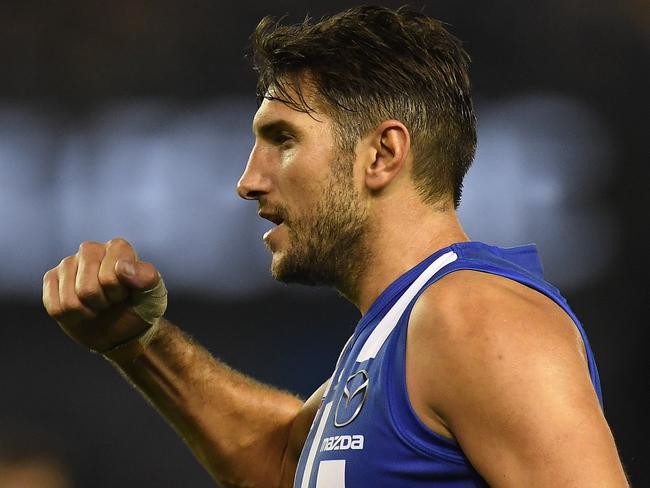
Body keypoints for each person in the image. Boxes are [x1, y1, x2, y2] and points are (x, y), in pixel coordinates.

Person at [42, 6, 628, 487]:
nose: (248, 180)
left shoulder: (475, 319)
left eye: (282, 140)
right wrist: (139, 343)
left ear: (382, 155)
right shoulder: (399, 330)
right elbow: (286, 468)